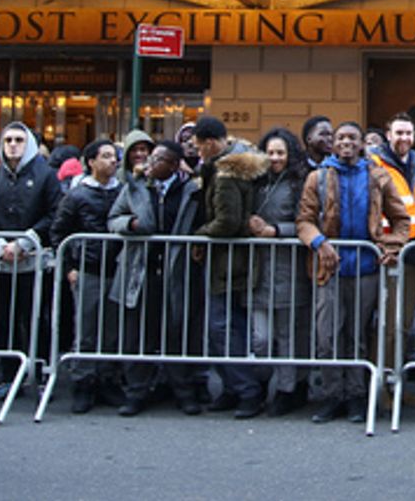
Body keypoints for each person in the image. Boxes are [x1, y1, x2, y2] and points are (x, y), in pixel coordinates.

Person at [297, 122, 411, 424]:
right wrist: (320, 242)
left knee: (358, 336)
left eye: (352, 138)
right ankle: (332, 396)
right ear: (333, 144)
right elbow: (304, 221)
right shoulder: (317, 177)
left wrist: (392, 246)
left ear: (362, 144)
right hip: (329, 268)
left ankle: (356, 397)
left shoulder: (377, 176)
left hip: (366, 269)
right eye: (341, 138)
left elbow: (402, 220)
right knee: (327, 336)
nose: (346, 142)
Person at [107, 140, 205, 416]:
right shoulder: (135, 187)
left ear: (173, 165)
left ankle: (183, 390)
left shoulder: (190, 191)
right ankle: (136, 392)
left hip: (178, 272)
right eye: (150, 158)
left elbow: (202, 224)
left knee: (178, 334)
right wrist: (131, 225)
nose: (149, 163)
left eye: (158, 159)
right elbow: (113, 218)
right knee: (138, 334)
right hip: (141, 271)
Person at [0, 121, 62, 404]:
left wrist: (26, 242)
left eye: (19, 140)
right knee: (3, 319)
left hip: (34, 258)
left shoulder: (46, 176)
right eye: (8, 140)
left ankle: (39, 375)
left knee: (36, 318)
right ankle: (7, 377)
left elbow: (55, 212)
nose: (13, 145)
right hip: (2, 259)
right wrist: (0, 243)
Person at [193, 114, 268, 417]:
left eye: (199, 147)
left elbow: (227, 221)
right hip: (232, 261)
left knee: (221, 328)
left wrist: (199, 235)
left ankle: (245, 389)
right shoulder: (235, 166)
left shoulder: (226, 174)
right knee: (231, 325)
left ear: (210, 144)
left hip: (226, 261)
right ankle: (233, 388)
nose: (197, 152)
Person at [51, 139, 128, 413]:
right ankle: (83, 382)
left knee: (110, 330)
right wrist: (70, 265)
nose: (112, 161)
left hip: (116, 268)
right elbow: (59, 232)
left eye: (114, 156)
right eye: (105, 156)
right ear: (91, 161)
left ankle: (108, 379)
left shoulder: (122, 191)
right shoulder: (77, 195)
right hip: (89, 268)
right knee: (86, 330)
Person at [246, 127, 311, 416]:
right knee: (260, 338)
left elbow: (307, 221)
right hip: (257, 268)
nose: (274, 158)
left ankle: (287, 391)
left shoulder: (300, 182)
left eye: (280, 153)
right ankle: (260, 386)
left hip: (288, 266)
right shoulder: (254, 182)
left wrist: (275, 231)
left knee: (287, 336)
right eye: (270, 152)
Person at [370, 112, 415, 395]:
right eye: (399, 133)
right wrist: (385, 243)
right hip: (386, 252)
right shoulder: (375, 163)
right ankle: (381, 388)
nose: (404, 138)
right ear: (388, 134)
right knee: (387, 326)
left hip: (412, 252)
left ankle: (396, 385)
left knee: (402, 324)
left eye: (408, 133)